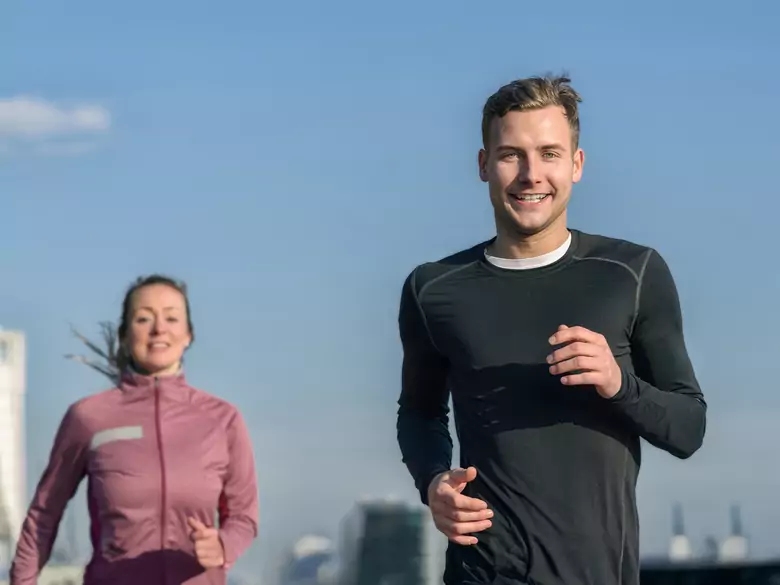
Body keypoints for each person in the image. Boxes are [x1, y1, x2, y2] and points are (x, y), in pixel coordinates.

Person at [396, 75, 707, 585]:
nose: (530, 174)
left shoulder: (631, 273)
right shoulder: (432, 289)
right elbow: (421, 412)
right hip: (484, 571)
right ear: (483, 165)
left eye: (549, 153)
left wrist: (617, 383)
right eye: (511, 154)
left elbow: (689, 428)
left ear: (576, 165)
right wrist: (432, 483)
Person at [11, 274, 259, 585]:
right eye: (143, 318)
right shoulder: (88, 417)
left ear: (188, 335)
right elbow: (44, 515)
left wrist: (223, 545)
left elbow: (244, 517)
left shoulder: (223, 420)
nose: (159, 328)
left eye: (172, 318)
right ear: (125, 335)